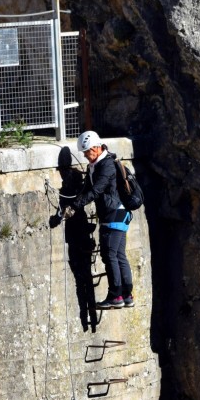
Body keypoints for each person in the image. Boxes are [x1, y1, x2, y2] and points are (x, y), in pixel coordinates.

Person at [72, 131, 134, 309]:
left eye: (87, 152)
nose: (85, 156)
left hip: (114, 214)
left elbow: (97, 190)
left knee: (110, 255)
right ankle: (126, 295)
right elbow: (88, 188)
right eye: (84, 153)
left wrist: (76, 205)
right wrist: (77, 200)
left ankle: (116, 296)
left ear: (97, 148)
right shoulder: (97, 164)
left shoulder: (106, 165)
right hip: (119, 212)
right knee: (119, 255)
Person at [49, 146, 100, 331]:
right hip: (78, 238)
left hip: (78, 238)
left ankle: (88, 318)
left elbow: (70, 209)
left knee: (83, 279)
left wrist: (60, 216)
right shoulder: (72, 185)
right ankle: (87, 318)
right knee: (83, 279)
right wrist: (57, 218)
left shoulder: (73, 185)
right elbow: (63, 212)